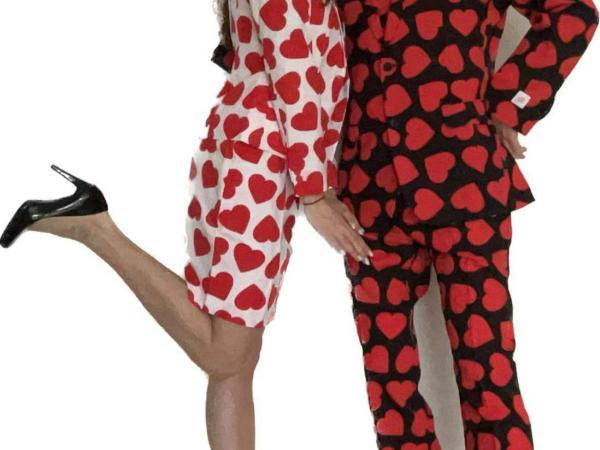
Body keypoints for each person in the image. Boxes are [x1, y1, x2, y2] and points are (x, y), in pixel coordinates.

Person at [0, 1, 370, 449]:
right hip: (257, 165)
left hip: (250, 154)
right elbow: (293, 68)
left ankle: (91, 222)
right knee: (226, 353)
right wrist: (314, 193)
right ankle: (93, 226)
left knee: (235, 363)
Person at [334, 0, 599, 448]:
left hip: (467, 182)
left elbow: (573, 13)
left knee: (487, 368)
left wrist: (512, 105)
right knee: (388, 383)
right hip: (370, 191)